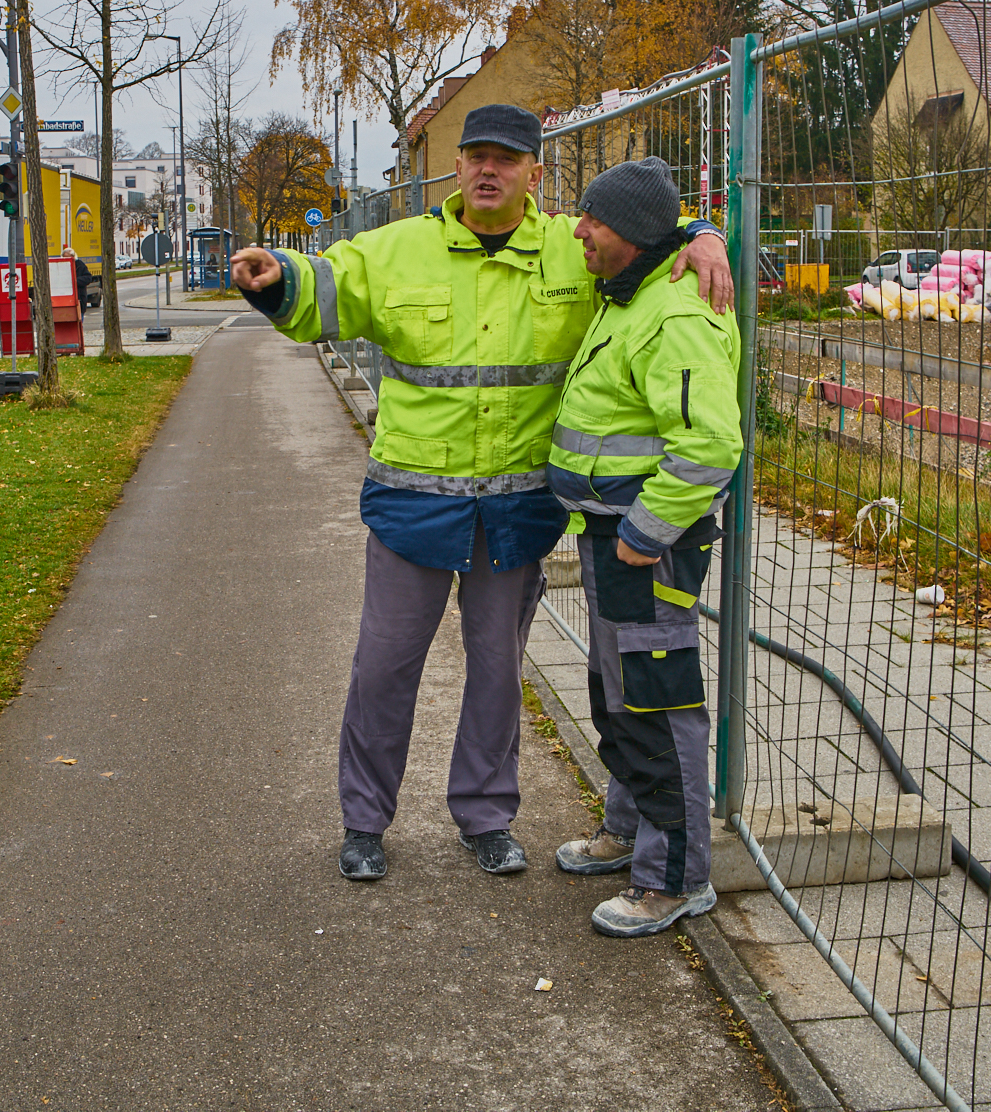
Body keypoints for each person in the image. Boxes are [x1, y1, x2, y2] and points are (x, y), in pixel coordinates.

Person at [230, 104, 731, 882]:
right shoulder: (399, 250)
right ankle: (365, 821)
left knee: (498, 671)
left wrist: (706, 235)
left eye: (506, 158)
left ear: (536, 172)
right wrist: (278, 279)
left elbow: (647, 225)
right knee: (384, 667)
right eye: (475, 157)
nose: (488, 170)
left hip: (516, 511)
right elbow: (327, 290)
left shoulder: (571, 252)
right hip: (413, 509)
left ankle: (486, 817)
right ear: (456, 167)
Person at [545, 156, 743, 936]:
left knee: (658, 704)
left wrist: (640, 536)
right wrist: (703, 227)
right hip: (614, 534)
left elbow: (707, 447)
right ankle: (629, 830)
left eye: (592, 219)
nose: (577, 230)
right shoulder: (629, 286)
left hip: (645, 542)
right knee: (618, 691)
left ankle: (672, 877)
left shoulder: (676, 314)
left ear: (630, 232)